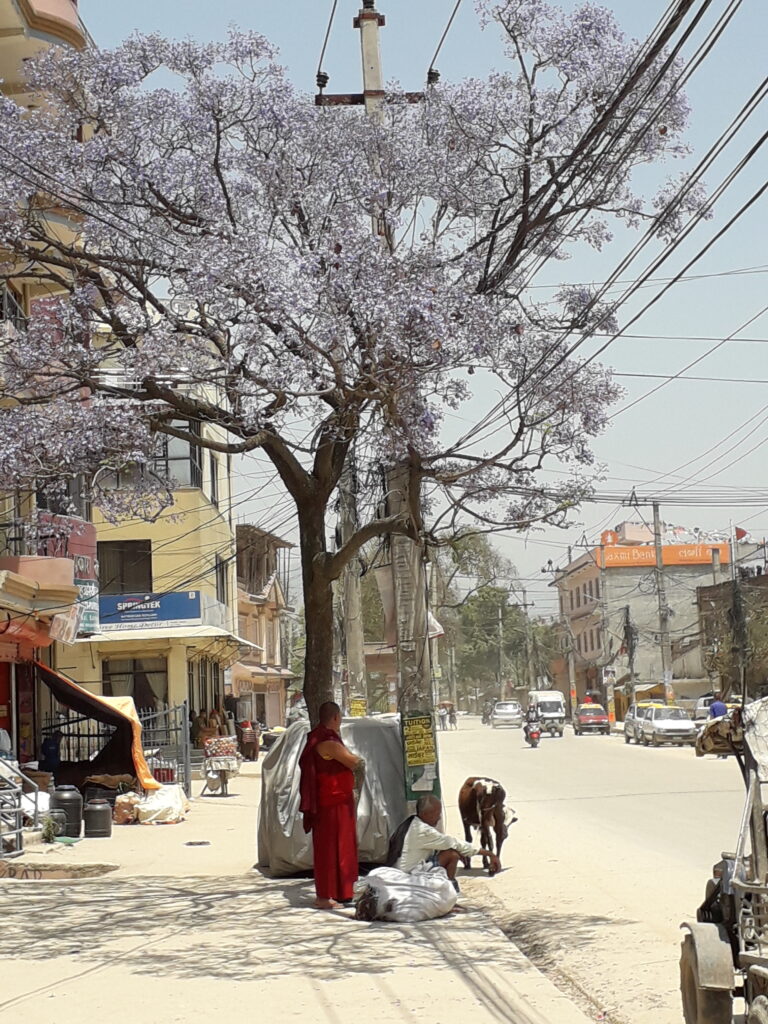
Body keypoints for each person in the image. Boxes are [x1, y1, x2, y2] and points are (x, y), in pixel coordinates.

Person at [299, 701, 361, 910]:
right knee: (329, 849)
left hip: (338, 801)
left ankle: (342, 892)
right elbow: (352, 761)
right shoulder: (326, 741)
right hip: (331, 802)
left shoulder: (323, 737)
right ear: (335, 718)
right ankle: (324, 897)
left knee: (340, 848)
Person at [387, 794, 500, 891]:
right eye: (437, 813)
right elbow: (453, 843)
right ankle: (450, 894)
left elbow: (444, 844)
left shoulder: (413, 822)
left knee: (453, 850)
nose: (439, 817)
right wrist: (490, 854)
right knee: (452, 855)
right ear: (426, 814)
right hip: (409, 875)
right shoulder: (423, 831)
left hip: (404, 869)